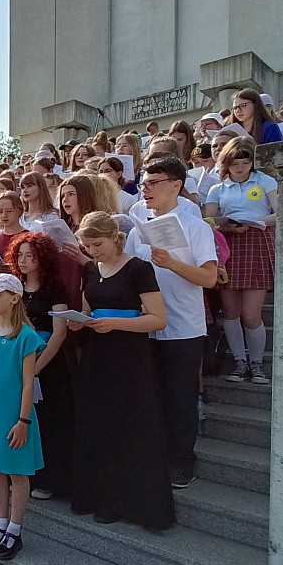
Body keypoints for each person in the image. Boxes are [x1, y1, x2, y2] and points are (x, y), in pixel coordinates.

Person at [68, 211, 174, 530]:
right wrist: (79, 321)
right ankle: (97, 494)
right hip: (97, 355)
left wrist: (114, 323)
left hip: (130, 357)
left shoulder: (139, 269)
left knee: (127, 426)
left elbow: (158, 319)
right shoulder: (90, 269)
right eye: (87, 246)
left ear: (115, 238)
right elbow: (89, 309)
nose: (92, 251)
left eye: (97, 244)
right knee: (98, 424)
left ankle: (127, 501)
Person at [125, 157, 219, 489]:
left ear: (176, 185)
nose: (146, 190)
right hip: (146, 325)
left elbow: (209, 278)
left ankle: (182, 460)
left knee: (180, 397)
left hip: (183, 327)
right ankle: (155, 457)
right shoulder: (137, 228)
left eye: (153, 183)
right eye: (143, 184)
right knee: (150, 396)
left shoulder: (196, 227)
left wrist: (173, 264)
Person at [0, 273, 46, 561]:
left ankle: (15, 530)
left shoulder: (26, 337)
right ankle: (1, 524)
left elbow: (28, 382)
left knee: (17, 471)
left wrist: (23, 420)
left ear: (14, 298)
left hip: (14, 413)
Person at [204, 138, 278, 385]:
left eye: (245, 162)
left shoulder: (265, 181)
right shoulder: (217, 189)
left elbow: (280, 213)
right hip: (228, 245)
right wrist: (226, 225)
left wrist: (257, 221)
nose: (240, 168)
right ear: (226, 163)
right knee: (231, 311)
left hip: (257, 241)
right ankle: (240, 362)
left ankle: (256, 364)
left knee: (251, 314)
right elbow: (209, 221)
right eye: (235, 163)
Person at [6, 233, 73, 500]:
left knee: (49, 420)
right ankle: (22, 475)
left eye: (30, 256)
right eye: (20, 255)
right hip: (18, 359)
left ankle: (49, 479)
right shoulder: (15, 288)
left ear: (42, 259)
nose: (23, 261)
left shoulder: (54, 289)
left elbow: (59, 332)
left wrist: (36, 367)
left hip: (48, 362)